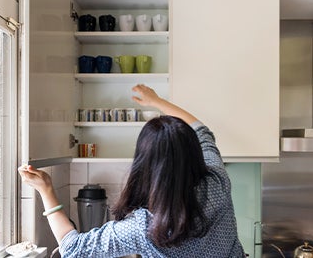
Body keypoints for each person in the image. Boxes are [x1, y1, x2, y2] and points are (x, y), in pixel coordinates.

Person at [18, 84, 245, 257]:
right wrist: (157, 101)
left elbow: (72, 248)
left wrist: (46, 190)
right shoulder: (218, 181)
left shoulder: (145, 227)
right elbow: (202, 131)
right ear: (193, 151)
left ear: (145, 163)